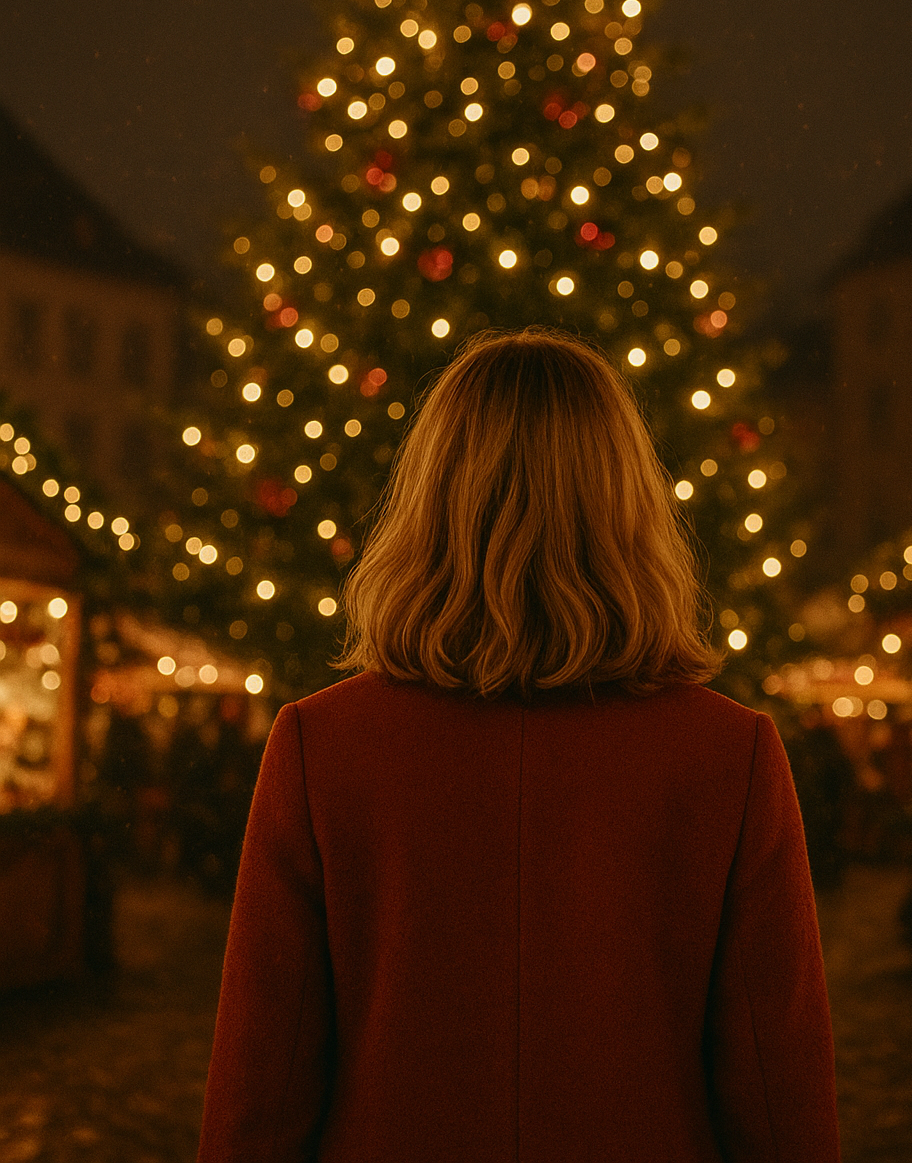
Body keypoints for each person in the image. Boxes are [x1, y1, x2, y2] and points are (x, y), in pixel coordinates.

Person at [198, 327, 840, 1162]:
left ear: (430, 502)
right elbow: (777, 1089)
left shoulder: (322, 746)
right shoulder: (729, 754)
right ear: (629, 505)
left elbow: (262, 1086)